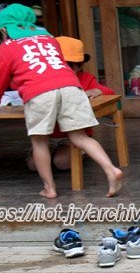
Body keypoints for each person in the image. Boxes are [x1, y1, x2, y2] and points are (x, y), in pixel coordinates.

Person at [0, 4, 123, 198]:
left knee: (39, 142)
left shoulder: (6, 48)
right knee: (81, 137)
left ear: (3, 30)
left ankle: (49, 189)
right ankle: (111, 169)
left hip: (39, 93)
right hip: (71, 87)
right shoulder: (49, 40)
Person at [26, 36, 115, 172]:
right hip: (47, 137)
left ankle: (82, 152)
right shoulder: (41, 80)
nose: (65, 70)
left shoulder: (85, 79)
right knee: (34, 165)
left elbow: (109, 93)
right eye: (62, 65)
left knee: (62, 162)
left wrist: (97, 90)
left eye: (71, 65)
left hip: (74, 136)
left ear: (79, 66)